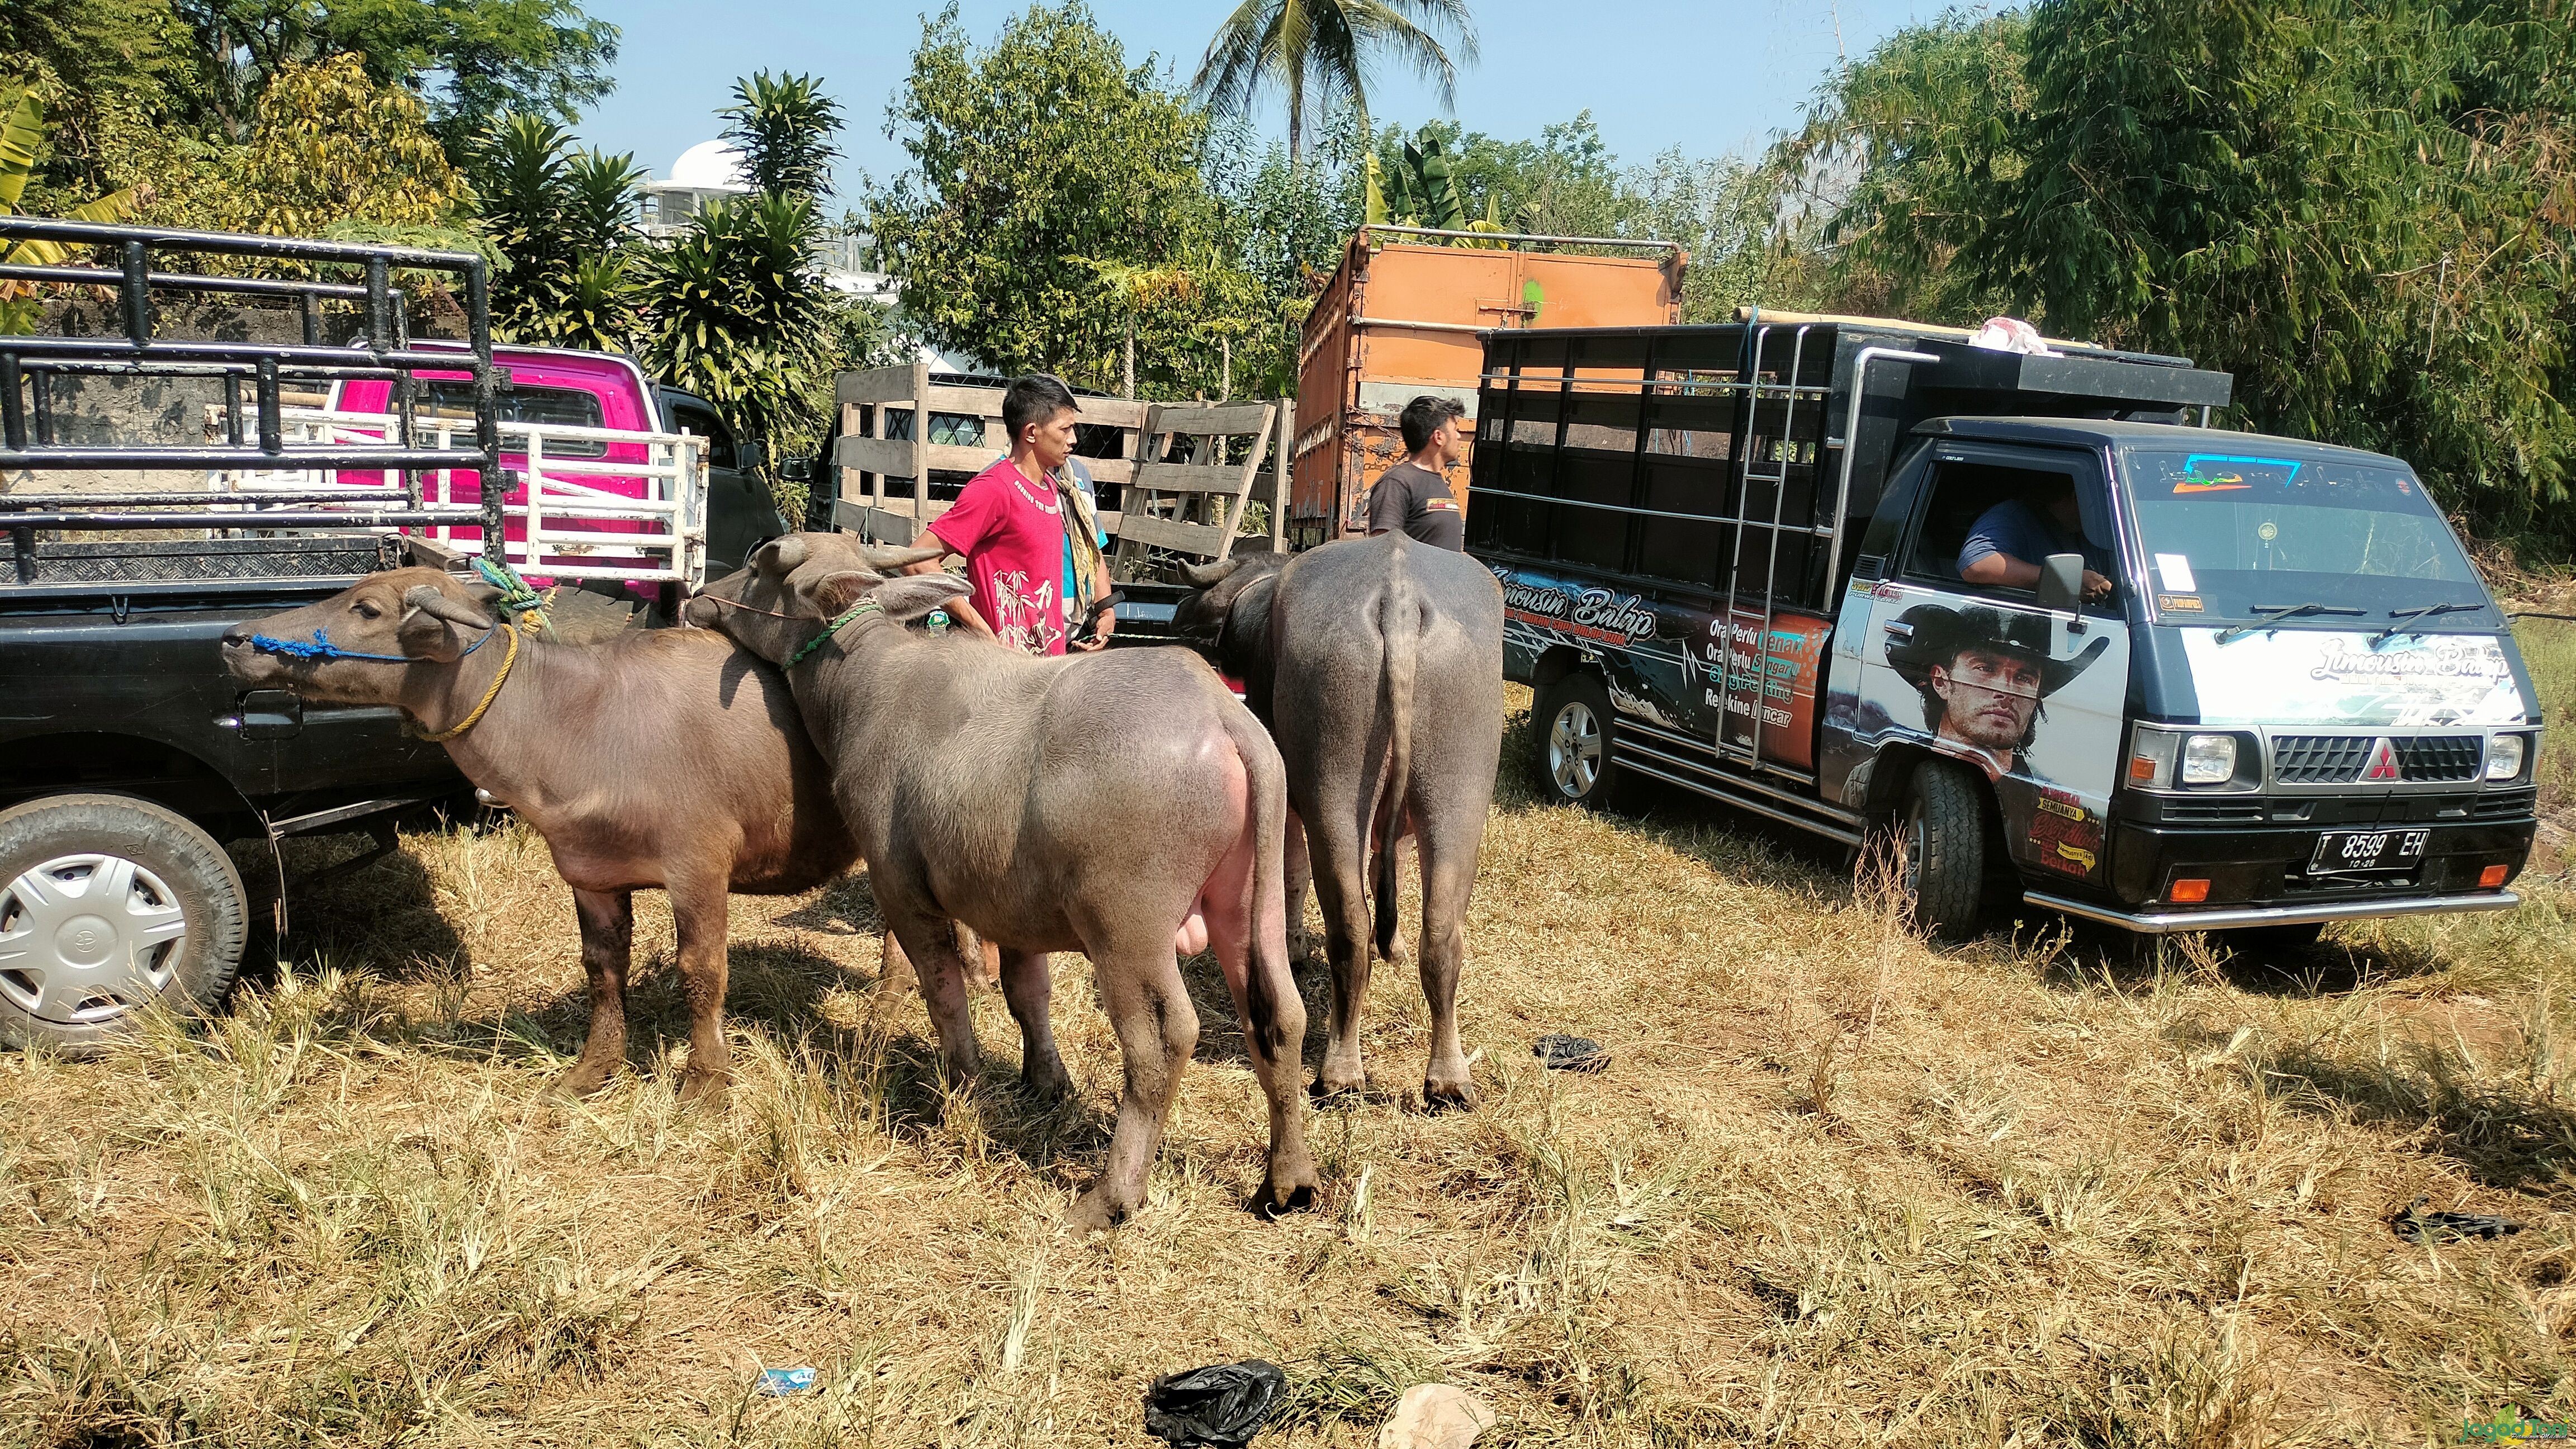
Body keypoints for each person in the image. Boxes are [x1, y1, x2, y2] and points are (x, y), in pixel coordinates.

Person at [902, 373, 1111, 655]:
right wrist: (983, 632)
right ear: (1031, 433)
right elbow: (918, 560)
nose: (1073, 440)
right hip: (1003, 674)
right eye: (1064, 430)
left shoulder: (1053, 487)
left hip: (1045, 668)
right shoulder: (994, 489)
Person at [1884, 603, 2110, 780]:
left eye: (2024, 677)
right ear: (1941, 681)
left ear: (2037, 696)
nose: (2006, 691)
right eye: (1985, 669)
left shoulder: (2046, 804)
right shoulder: (1885, 773)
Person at [1957, 476, 2115, 602]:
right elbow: (1977, 566)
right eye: (2103, 502)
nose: (2109, 512)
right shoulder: (2012, 517)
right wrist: (2066, 581)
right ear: (2077, 498)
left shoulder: (2097, 533)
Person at [1367, 394, 1469, 550]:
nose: (1459, 436)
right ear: (1438, 437)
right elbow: (1383, 554)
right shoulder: (1397, 483)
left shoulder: (1437, 481)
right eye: (1455, 429)